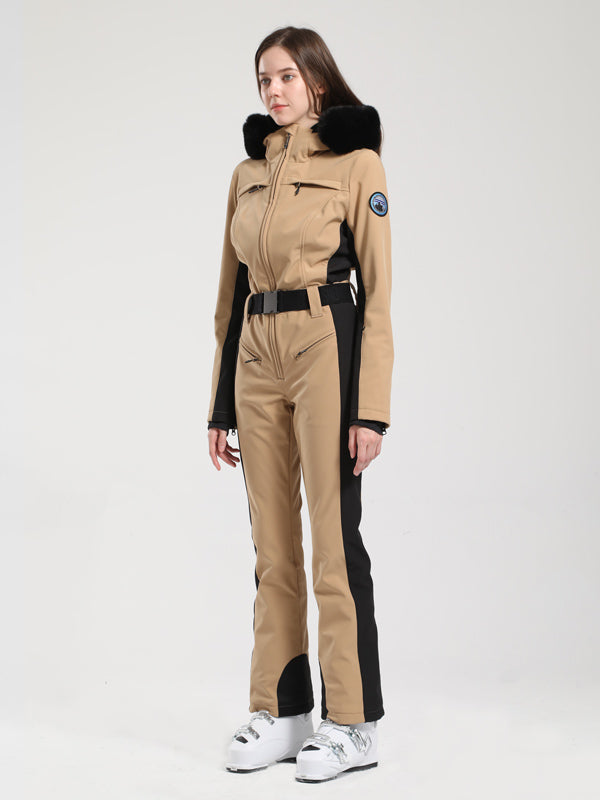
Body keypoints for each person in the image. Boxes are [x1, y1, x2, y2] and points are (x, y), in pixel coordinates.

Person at [207, 26, 394, 783]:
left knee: (332, 539)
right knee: (272, 545)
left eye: (286, 76)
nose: (274, 91)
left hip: (325, 340)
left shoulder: (357, 163)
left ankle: (352, 721)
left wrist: (370, 410)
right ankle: (284, 711)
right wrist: (219, 407)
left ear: (316, 80)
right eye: (264, 80)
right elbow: (227, 301)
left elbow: (378, 295)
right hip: (256, 351)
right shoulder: (247, 173)